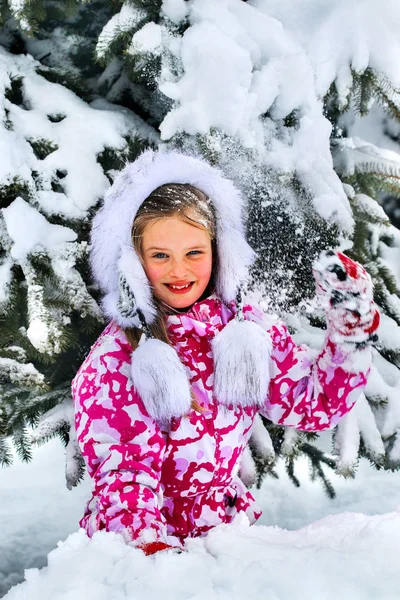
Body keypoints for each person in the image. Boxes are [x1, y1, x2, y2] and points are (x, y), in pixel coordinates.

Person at [72, 149, 380, 555]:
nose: (179, 271)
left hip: (225, 538)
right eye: (160, 255)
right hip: (145, 549)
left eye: (194, 253)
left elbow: (313, 403)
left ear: (219, 251)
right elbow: (124, 477)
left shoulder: (245, 330)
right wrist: (154, 556)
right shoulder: (118, 361)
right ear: (132, 262)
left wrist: (349, 330)